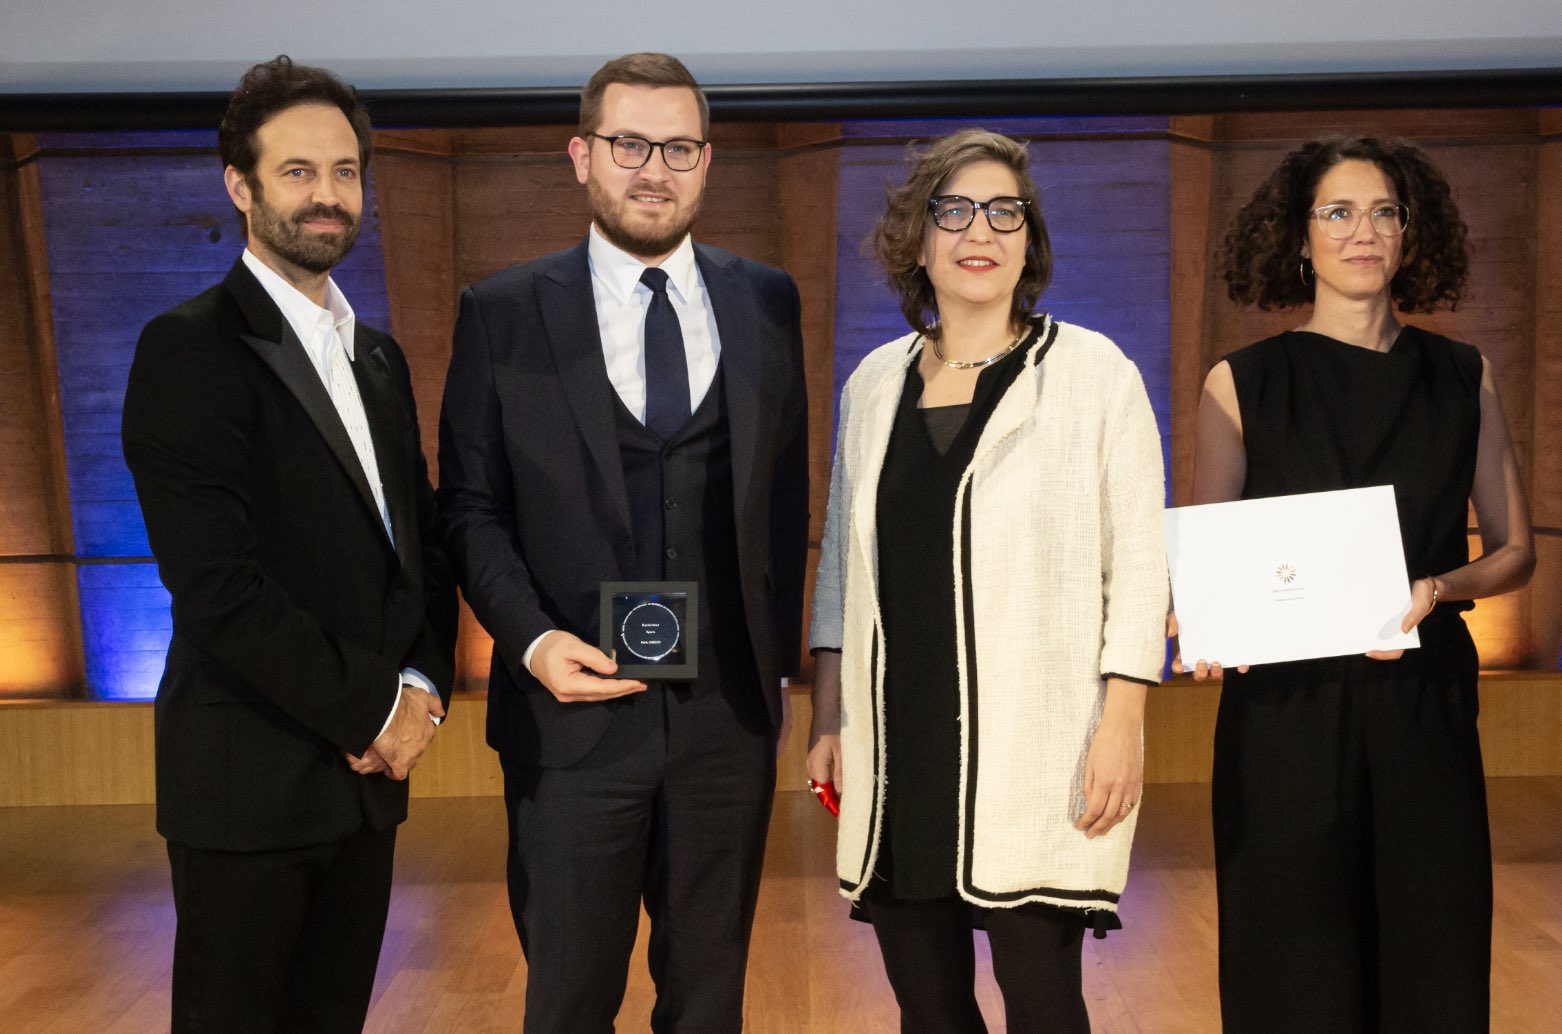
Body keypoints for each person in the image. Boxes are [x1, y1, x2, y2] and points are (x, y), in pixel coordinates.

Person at [437, 52, 808, 1032]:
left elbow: (781, 503)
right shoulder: (501, 311)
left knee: (708, 1000)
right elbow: (469, 507)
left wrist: (770, 685)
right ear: (580, 156)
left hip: (725, 725)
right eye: (629, 143)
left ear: (705, 160)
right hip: (569, 719)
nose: (654, 168)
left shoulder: (766, 301)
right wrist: (528, 640)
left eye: (678, 146)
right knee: (567, 998)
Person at [120, 56, 456, 1032]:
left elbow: (415, 545)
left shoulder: (379, 356)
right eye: (298, 171)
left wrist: (423, 688)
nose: (327, 194)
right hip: (248, 787)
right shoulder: (187, 347)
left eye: (345, 171)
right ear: (242, 185)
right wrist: (371, 709)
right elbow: (218, 588)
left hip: (367, 789)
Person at [806, 129, 1168, 1033]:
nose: (982, 229)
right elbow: (841, 566)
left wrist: (1122, 724)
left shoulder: (1094, 374)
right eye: (955, 210)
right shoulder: (873, 383)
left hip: (1037, 750)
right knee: (928, 1008)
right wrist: (827, 717)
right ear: (918, 239)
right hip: (899, 747)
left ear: (1029, 240)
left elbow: (1141, 561)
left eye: (1006, 212)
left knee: (1044, 1005)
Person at [1184, 134, 1536, 1032]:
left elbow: (1515, 552)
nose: (1363, 231)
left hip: (1423, 706)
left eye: (1386, 211)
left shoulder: (1464, 375)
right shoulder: (1241, 385)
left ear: (1411, 236)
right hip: (1285, 720)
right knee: (1290, 965)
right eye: (1337, 212)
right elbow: (1212, 567)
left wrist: (1438, 587)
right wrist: (1210, 626)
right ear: (1299, 239)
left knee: (1433, 958)